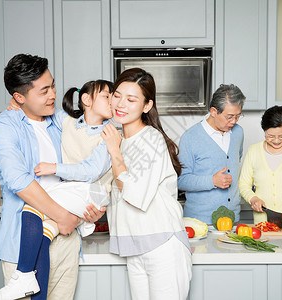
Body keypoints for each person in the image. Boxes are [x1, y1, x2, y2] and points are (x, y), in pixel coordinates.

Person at [0, 54, 106, 300]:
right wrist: (63, 216)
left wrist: (87, 210)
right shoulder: (3, 127)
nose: (53, 94)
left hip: (66, 240)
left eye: (52, 85)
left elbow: (88, 138)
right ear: (19, 97)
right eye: (44, 91)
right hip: (24, 246)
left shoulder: (59, 120)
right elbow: (19, 181)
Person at [101, 68, 192, 300]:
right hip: (134, 248)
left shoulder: (151, 139)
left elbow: (134, 192)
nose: (120, 104)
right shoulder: (118, 141)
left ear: (146, 106)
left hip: (162, 244)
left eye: (131, 99)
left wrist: (114, 151)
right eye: (117, 95)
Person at [177, 84, 245, 224]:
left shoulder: (238, 132)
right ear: (214, 111)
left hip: (232, 220)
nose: (233, 121)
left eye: (238, 116)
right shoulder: (190, 137)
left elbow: (235, 162)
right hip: (199, 222)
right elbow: (181, 181)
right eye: (229, 117)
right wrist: (212, 181)